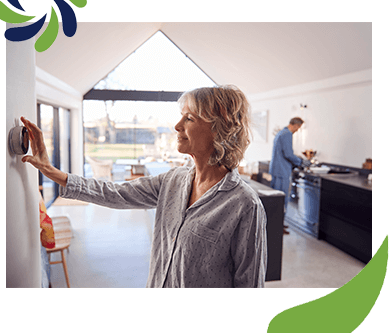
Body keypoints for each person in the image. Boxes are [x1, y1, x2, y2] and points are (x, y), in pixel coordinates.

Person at [21, 85, 267, 288]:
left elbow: (250, 288)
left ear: (219, 130)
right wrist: (54, 173)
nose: (177, 126)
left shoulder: (244, 205)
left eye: (189, 118)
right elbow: (115, 193)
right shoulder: (173, 180)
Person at [269, 117, 310, 234]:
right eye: (299, 128)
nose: (298, 130)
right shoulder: (287, 134)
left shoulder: (281, 133)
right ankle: (277, 227)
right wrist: (301, 161)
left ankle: (277, 224)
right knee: (281, 199)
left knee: (277, 199)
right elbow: (288, 154)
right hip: (282, 172)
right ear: (296, 125)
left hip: (277, 170)